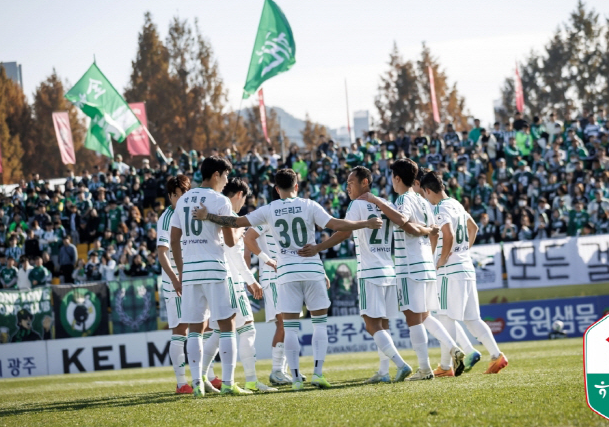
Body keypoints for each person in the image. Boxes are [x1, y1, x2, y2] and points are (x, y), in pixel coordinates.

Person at [194, 167, 382, 391]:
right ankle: (318, 374)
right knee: (319, 324)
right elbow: (336, 224)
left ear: (276, 188)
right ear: (296, 186)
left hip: (286, 272)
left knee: (290, 328)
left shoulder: (269, 209)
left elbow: (235, 223)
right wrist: (365, 223)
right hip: (312, 269)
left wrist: (209, 217)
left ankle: (294, 379)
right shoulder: (309, 205)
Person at [299, 166, 413, 383]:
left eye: (351, 182)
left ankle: (400, 364)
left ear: (365, 183)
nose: (347, 187)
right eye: (347, 183)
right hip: (389, 270)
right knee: (383, 324)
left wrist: (318, 247)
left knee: (371, 324)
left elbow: (344, 232)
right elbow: (402, 221)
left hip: (370, 271)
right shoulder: (384, 203)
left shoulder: (357, 204)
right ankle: (383, 371)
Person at [358, 159, 465, 381]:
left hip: (410, 266)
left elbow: (404, 221)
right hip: (426, 263)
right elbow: (432, 231)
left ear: (397, 178)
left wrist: (376, 200)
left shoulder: (404, 198)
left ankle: (425, 369)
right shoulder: (422, 199)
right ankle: (453, 347)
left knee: (413, 318)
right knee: (425, 315)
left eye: (391, 177)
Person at [170, 156, 249, 396]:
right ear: (216, 174)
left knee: (195, 328)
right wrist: (239, 232)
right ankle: (228, 383)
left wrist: (182, 270)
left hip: (191, 271)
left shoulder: (183, 200)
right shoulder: (220, 200)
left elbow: (174, 239)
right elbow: (228, 241)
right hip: (214, 267)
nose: (226, 181)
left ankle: (196, 384)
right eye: (225, 176)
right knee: (227, 325)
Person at [420, 171, 508, 375]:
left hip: (450, 271)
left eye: (425, 193)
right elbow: (474, 228)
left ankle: (445, 366)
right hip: (466, 267)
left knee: (445, 316)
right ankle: (497, 356)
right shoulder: (456, 204)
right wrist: (463, 251)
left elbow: (448, 234)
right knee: (472, 319)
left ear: (428, 190)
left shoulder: (440, 209)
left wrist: (441, 260)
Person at [200, 178, 276, 393]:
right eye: (244, 199)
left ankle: (200, 377)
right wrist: (251, 281)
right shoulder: (232, 219)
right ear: (240, 195)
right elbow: (235, 255)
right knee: (247, 328)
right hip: (232, 282)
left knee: (217, 331)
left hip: (218, 280)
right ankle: (249, 380)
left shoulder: (216, 217)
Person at [243, 213, 294, 386]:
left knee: (289, 324)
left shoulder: (289, 214)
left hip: (287, 276)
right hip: (273, 277)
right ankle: (277, 370)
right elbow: (248, 239)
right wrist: (250, 276)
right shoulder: (266, 216)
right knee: (284, 323)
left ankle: (283, 370)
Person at [157, 174, 195, 395]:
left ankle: (207, 377)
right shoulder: (167, 218)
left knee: (204, 325)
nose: (179, 198)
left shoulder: (188, 214)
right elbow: (162, 254)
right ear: (170, 196)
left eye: (183, 193)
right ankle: (181, 383)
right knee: (180, 330)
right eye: (175, 195)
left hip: (192, 276)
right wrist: (175, 279)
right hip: (176, 282)